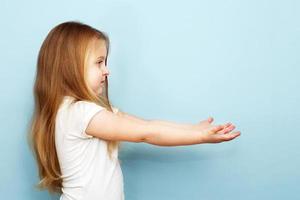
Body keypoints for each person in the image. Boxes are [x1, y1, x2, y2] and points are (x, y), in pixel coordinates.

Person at [28, 21, 241, 200]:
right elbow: (145, 133)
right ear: (70, 66)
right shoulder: (81, 113)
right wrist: (199, 137)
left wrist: (193, 129)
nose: (106, 70)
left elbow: (144, 124)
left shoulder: (82, 110)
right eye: (99, 63)